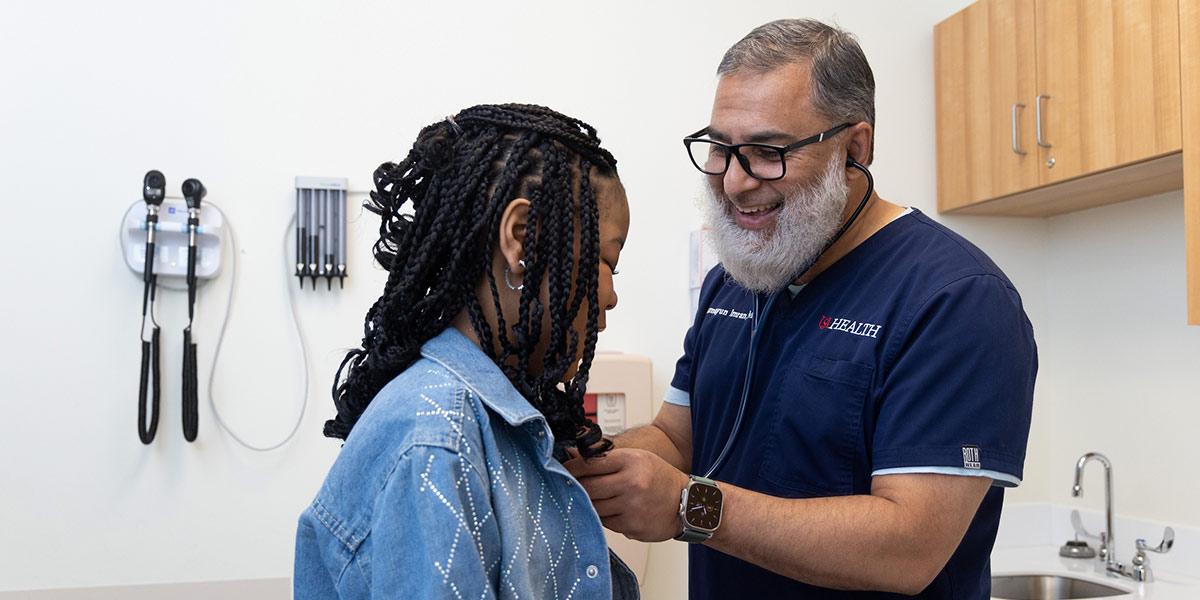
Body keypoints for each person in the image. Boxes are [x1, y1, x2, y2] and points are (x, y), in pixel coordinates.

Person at [565, 19, 1037, 599]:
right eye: (720, 148)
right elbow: (677, 438)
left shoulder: (956, 299)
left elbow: (911, 547)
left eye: (767, 152)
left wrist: (690, 505)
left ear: (854, 149)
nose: (734, 182)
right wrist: (579, 466)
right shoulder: (734, 283)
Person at [294, 103, 638, 600]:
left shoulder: (490, 424)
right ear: (521, 239)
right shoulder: (438, 441)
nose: (611, 296)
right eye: (609, 263)